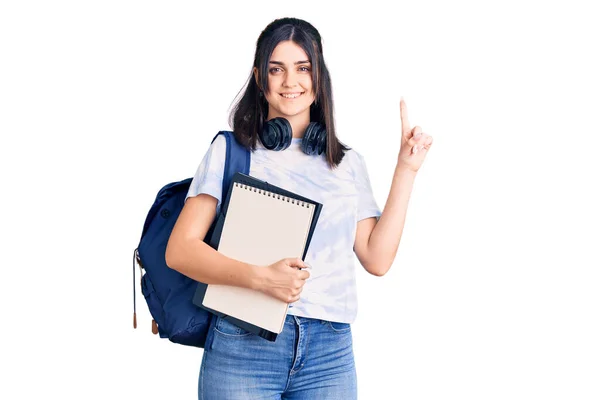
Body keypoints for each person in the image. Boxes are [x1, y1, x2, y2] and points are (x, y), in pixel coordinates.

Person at [165, 17, 433, 400]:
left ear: (318, 77)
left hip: (330, 353)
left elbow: (377, 258)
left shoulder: (347, 163)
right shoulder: (231, 151)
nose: (291, 82)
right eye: (277, 70)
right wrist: (261, 279)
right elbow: (180, 250)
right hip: (244, 344)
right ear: (261, 79)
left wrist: (406, 169)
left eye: (303, 68)